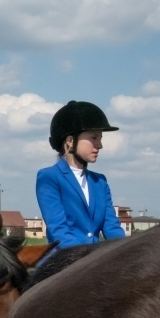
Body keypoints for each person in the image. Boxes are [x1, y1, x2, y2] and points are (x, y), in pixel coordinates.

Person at [36, 100, 125, 250]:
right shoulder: (49, 177)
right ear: (70, 141)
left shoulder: (100, 182)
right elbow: (59, 232)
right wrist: (89, 257)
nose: (100, 145)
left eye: (100, 139)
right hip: (63, 258)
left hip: (94, 259)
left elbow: (112, 228)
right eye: (94, 138)